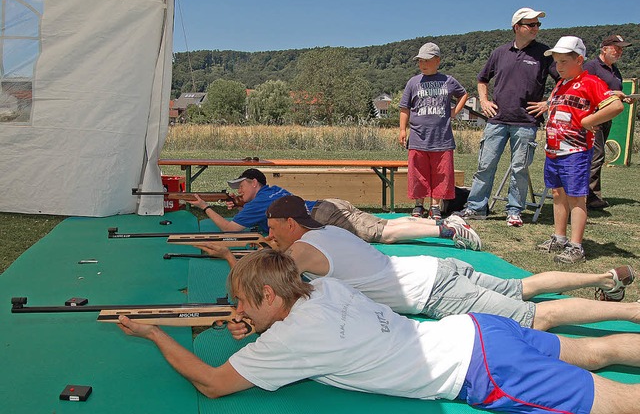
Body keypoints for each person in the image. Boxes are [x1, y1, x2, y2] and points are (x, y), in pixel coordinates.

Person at [117, 249, 640, 413]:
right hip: (481, 331)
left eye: (242, 301)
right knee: (598, 349)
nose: (237, 310)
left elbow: (211, 383)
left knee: (616, 400)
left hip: (480, 368)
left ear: (270, 296)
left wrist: (156, 335)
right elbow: (290, 321)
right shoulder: (322, 289)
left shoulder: (287, 341)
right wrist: (251, 322)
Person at [196, 195, 638, 331]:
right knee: (524, 286)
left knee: (535, 318)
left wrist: (231, 255)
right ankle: (605, 276)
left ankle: (630, 311)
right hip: (436, 270)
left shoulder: (300, 252)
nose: (269, 233)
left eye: (273, 226)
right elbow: (274, 260)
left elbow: (267, 287)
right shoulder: (324, 232)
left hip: (435, 292)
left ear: (289, 224)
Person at [188, 168, 482, 250]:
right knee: (384, 224)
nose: (238, 191)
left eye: (241, 186)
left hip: (323, 216)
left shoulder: (258, 204)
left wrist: (205, 207)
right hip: (327, 206)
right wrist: (236, 203)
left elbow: (229, 229)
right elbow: (250, 210)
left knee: (384, 233)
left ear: (254, 183)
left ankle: (446, 229)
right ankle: (446, 224)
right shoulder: (268, 193)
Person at [456, 7, 558, 227]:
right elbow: (482, 79)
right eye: (531, 24)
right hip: (497, 120)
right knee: (485, 165)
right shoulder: (499, 52)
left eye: (537, 25)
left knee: (519, 168)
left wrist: (548, 103)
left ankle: (514, 211)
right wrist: (484, 101)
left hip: (526, 122)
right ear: (516, 27)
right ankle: (475, 208)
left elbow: (564, 79)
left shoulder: (544, 53)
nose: (536, 28)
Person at [536, 36, 625, 264]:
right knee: (557, 194)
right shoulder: (560, 84)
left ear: (579, 60)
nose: (559, 67)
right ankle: (559, 237)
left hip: (576, 151)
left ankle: (576, 246)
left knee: (577, 198)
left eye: (565, 61)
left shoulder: (590, 82)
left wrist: (589, 121)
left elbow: (615, 106)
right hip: (555, 151)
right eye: (557, 62)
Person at [399, 42, 469, 220]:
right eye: (420, 61)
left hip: (442, 138)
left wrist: (455, 111)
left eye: (427, 60)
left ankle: (436, 206)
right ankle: (418, 205)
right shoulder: (413, 82)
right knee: (417, 174)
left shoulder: (448, 80)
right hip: (418, 138)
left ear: (437, 61)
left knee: (441, 174)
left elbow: (464, 94)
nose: (423, 64)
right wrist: (402, 130)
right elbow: (404, 108)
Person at [584, 35, 635, 209]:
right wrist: (613, 94)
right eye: (616, 48)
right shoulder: (591, 67)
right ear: (604, 49)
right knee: (596, 156)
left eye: (621, 49)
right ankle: (588, 196)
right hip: (593, 117)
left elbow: (613, 92)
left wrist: (624, 98)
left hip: (606, 117)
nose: (620, 52)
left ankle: (592, 194)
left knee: (597, 156)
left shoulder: (614, 69)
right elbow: (585, 89)